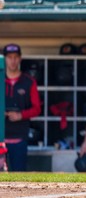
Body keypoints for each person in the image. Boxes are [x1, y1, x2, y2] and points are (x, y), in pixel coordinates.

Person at [3, 43, 41, 172]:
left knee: (18, 175)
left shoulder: (29, 81)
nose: (12, 61)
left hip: (19, 137)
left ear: (20, 59)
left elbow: (37, 108)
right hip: (1, 137)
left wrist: (20, 115)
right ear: (4, 58)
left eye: (15, 57)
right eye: (9, 57)